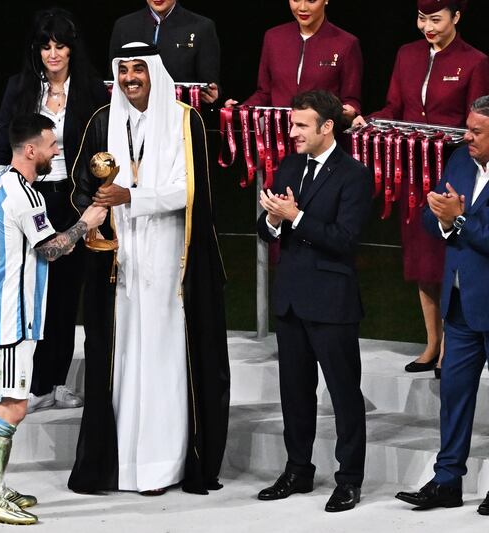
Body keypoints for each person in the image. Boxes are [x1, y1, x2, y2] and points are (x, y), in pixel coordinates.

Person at [68, 42, 229, 495]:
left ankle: (162, 466)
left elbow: (192, 192)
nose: (130, 78)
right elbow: (82, 184)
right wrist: (93, 212)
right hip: (119, 264)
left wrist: (132, 198)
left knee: (162, 357)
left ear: (155, 72)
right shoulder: (103, 121)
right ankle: (121, 464)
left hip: (169, 262)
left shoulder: (183, 119)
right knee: (121, 361)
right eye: (124, 70)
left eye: (139, 68)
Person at [0, 114, 107, 525]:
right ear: (31, 150)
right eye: (51, 145)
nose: (56, 152)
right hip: (11, 319)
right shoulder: (25, 195)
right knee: (13, 407)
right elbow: (51, 249)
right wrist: (87, 224)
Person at [352, 0, 489, 377]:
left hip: (453, 171)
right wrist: (372, 120)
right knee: (421, 259)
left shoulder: (474, 61)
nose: (427, 27)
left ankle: (452, 347)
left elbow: (475, 122)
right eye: (421, 18)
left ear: (457, 17)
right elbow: (395, 106)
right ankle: (431, 343)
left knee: (448, 257)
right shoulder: (407, 55)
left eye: (436, 19)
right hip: (411, 170)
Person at [256, 90, 372, 512]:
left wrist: (296, 218)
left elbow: (344, 240)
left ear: (327, 127)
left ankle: (349, 479)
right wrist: (271, 218)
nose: (292, 132)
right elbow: (265, 227)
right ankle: (297, 471)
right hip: (290, 300)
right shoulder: (290, 165)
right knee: (295, 392)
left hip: (332, 302)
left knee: (344, 393)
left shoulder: (354, 175)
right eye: (292, 124)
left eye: (301, 125)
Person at [0, 8, 108, 413]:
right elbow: (1, 146)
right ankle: (26, 380)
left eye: (60, 45)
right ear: (36, 50)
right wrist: (0, 197)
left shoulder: (92, 89)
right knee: (28, 291)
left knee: (63, 295)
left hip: (74, 199)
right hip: (29, 199)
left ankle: (54, 381)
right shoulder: (20, 88)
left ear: (71, 48)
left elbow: (103, 147)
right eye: (46, 46)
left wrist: (99, 199)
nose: (53, 54)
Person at [395, 95, 489, 517]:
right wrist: (449, 220)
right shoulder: (460, 160)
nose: (466, 136)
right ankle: (447, 481)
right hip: (461, 305)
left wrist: (461, 221)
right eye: (468, 128)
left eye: (476, 131)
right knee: (453, 395)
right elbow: (429, 216)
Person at [225, 0, 363, 123]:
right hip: (276, 137)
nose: (302, 7)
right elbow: (264, 93)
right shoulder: (273, 37)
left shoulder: (346, 43)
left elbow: (350, 100)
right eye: (296, 0)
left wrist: (350, 112)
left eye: (311, 0)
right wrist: (239, 111)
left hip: (320, 138)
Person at [108, 0, 220, 104]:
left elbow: (209, 84)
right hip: (132, 115)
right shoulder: (124, 26)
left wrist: (212, 94)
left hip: (180, 115)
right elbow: (114, 80)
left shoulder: (201, 26)